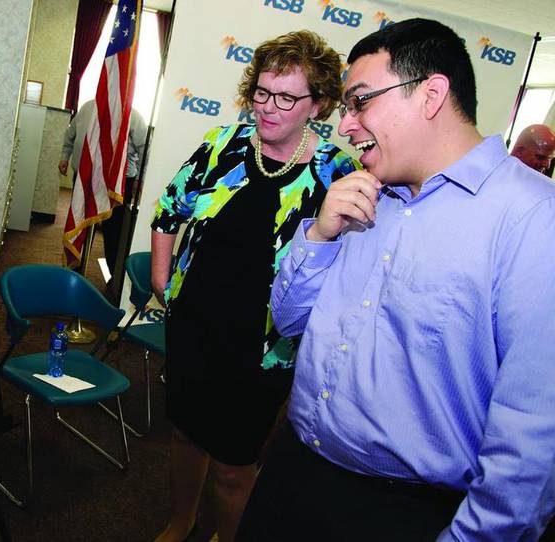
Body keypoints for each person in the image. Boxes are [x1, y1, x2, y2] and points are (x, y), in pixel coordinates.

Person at [237, 18, 555, 541]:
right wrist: (317, 236)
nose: (345, 125)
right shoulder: (360, 192)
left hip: (402, 515)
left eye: (360, 102)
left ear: (431, 94)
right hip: (292, 469)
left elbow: (530, 453)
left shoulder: (532, 221)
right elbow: (290, 320)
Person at [150, 31, 359, 542]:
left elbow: (348, 273)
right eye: (262, 92)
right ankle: (182, 521)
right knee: (183, 435)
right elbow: (168, 209)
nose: (268, 107)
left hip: (263, 349)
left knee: (234, 466)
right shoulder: (223, 143)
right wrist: (162, 281)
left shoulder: (338, 171)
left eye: (286, 97)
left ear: (321, 104)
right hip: (194, 326)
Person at [59, 99, 147, 277]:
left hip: (117, 183)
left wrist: (140, 177)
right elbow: (70, 135)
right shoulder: (87, 108)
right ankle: (74, 270)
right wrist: (64, 157)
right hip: (85, 177)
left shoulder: (133, 115)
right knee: (80, 222)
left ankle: (110, 277)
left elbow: (145, 147)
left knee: (112, 232)